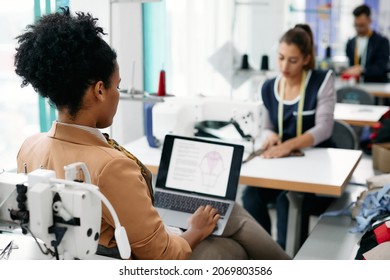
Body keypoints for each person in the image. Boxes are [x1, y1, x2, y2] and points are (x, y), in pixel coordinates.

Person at [14, 7, 289, 260]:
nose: (118, 95)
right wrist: (194, 230)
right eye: (117, 87)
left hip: (87, 255)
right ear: (99, 90)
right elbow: (164, 256)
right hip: (130, 259)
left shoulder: (31, 147)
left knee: (230, 230)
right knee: (230, 242)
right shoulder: (111, 166)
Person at [242, 24, 336, 250]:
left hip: (315, 167)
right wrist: (270, 135)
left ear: (305, 59)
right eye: (281, 58)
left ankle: (287, 256)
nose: (284, 66)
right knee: (250, 196)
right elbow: (266, 125)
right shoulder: (268, 87)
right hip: (282, 165)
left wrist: (288, 145)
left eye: (292, 60)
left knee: (287, 200)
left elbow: (324, 128)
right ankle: (265, 251)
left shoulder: (322, 81)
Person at [343, 4, 390, 83]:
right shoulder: (351, 43)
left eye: (362, 25)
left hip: (376, 87)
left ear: (369, 20)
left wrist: (362, 70)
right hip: (356, 86)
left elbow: (381, 67)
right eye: (356, 25)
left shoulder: (382, 42)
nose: (358, 29)